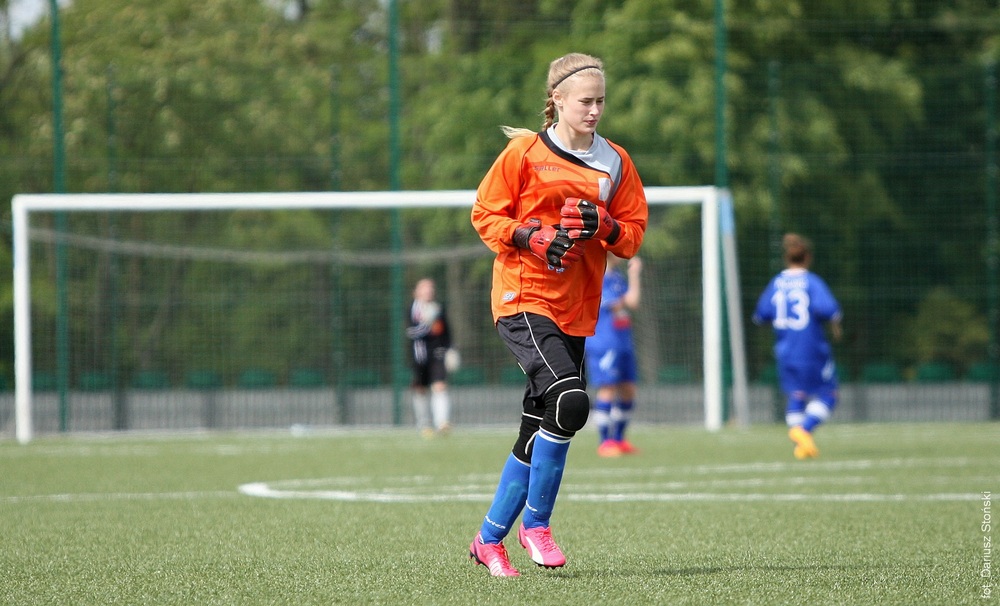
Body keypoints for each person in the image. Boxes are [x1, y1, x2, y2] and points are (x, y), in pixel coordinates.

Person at [468, 52, 648, 577]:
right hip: (523, 297)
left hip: (575, 308)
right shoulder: (523, 152)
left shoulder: (615, 161)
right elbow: (485, 214)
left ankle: (488, 540)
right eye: (585, 101)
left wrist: (604, 225)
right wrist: (529, 235)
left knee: (542, 421)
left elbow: (632, 235)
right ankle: (537, 526)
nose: (594, 110)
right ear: (558, 101)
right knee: (570, 401)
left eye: (600, 101)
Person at [752, 233, 842, 460]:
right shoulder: (812, 282)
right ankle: (804, 430)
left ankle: (800, 445)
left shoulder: (776, 283)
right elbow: (829, 310)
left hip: (785, 350)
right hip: (811, 349)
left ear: (787, 258)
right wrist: (835, 328)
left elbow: (760, 315)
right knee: (829, 394)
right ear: (808, 257)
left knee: (797, 394)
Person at [587, 253, 643, 457]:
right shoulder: (598, 276)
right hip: (604, 341)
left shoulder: (616, 276)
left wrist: (632, 276)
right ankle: (605, 442)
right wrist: (635, 274)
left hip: (622, 340)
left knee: (628, 388)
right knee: (607, 388)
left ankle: (619, 438)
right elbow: (627, 302)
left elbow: (631, 303)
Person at [405, 278, 453, 437]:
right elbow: (411, 332)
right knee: (420, 389)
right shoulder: (412, 309)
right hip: (419, 356)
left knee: (440, 385)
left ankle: (442, 423)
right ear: (416, 291)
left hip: (437, 354)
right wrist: (427, 323)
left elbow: (446, 331)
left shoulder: (438, 308)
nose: (429, 291)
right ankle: (424, 423)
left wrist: (450, 349)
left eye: (431, 288)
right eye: (424, 288)